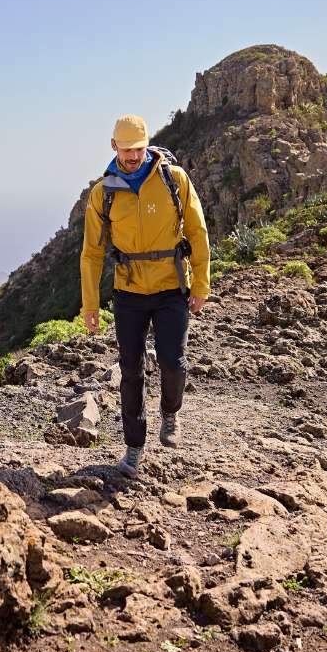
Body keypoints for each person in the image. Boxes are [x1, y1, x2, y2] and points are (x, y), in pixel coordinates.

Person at [80, 114, 211, 478]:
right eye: (126, 150)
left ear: (147, 145)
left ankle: (170, 412)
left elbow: (197, 232)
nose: (133, 156)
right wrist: (90, 304)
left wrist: (201, 285)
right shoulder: (104, 192)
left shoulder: (174, 179)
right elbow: (91, 253)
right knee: (131, 371)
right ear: (114, 147)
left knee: (173, 362)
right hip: (129, 291)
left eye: (138, 149)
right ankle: (134, 448)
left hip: (171, 286)